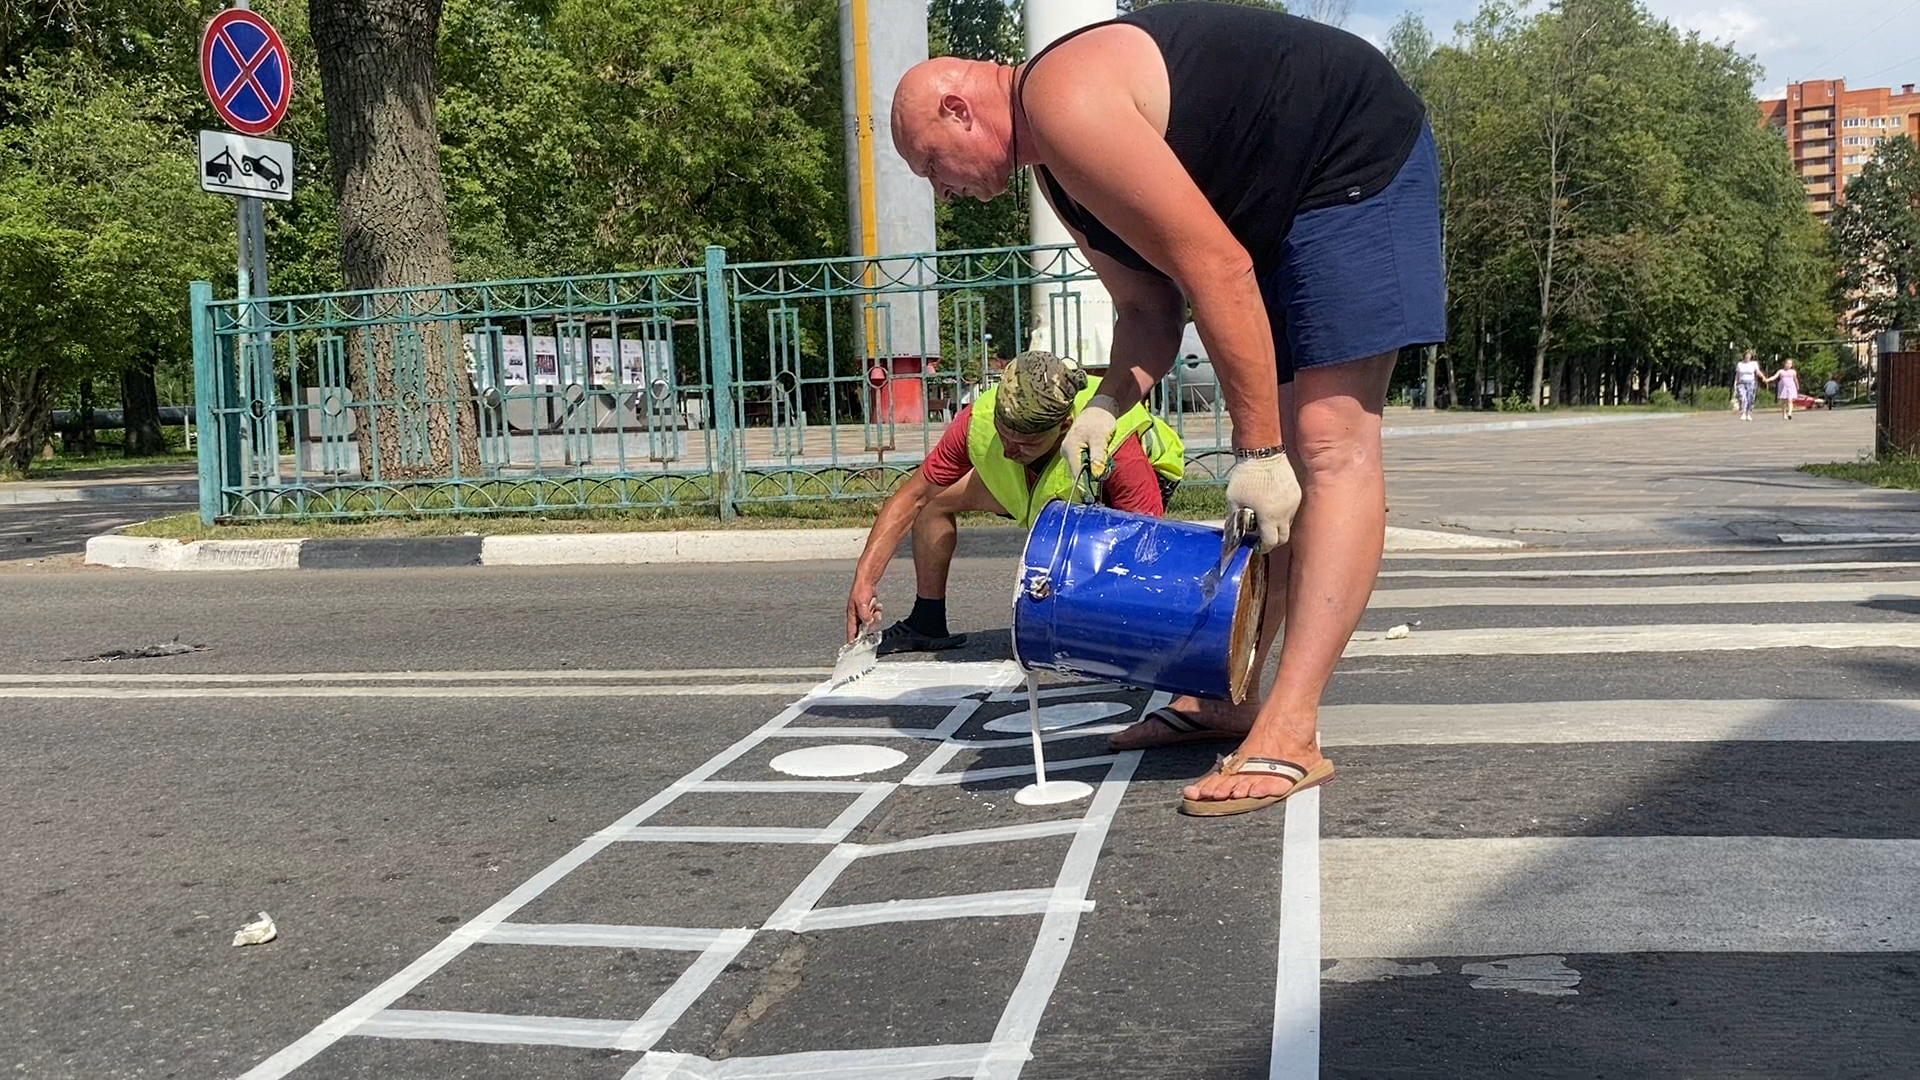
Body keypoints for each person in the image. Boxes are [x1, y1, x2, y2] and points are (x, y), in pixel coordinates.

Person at [890, 1, 1442, 815]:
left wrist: (1257, 457)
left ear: (959, 108)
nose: (942, 189)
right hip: (1279, 201)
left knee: (1324, 442)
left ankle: (1291, 728)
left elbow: (1217, 269)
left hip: (1350, 157)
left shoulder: (1063, 101)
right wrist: (1106, 405)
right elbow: (1150, 312)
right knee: (1298, 442)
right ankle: (1240, 696)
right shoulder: (1059, 171)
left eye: (932, 164)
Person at [844, 350, 1184, 654]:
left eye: (1024, 443)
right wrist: (865, 579)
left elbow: (1146, 545)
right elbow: (914, 496)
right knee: (934, 501)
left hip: (1105, 492)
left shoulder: (1120, 450)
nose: (1007, 451)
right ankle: (927, 621)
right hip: (1035, 489)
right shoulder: (977, 418)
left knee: (1095, 605)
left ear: (1064, 427)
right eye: (1003, 435)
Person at [1734, 349, 1762, 421]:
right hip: (1741, 383)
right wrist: (1735, 382)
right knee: (1743, 398)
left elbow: (1758, 372)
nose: (1748, 357)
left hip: (1751, 383)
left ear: (1751, 357)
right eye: (1746, 355)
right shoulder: (1740, 364)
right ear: (1744, 356)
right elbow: (1737, 374)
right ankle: (1743, 413)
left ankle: (1748, 413)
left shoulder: (1754, 364)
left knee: (1750, 398)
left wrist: (1764, 378)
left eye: (1749, 356)